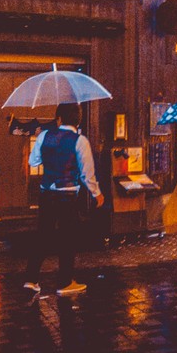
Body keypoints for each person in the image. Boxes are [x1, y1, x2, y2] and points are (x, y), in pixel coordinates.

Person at [23, 102, 103, 296]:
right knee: (67, 237)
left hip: (46, 193)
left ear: (58, 119)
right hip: (67, 195)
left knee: (43, 235)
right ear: (78, 120)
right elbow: (86, 173)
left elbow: (33, 161)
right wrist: (96, 193)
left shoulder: (44, 136)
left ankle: (31, 279)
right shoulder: (80, 140)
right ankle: (65, 282)